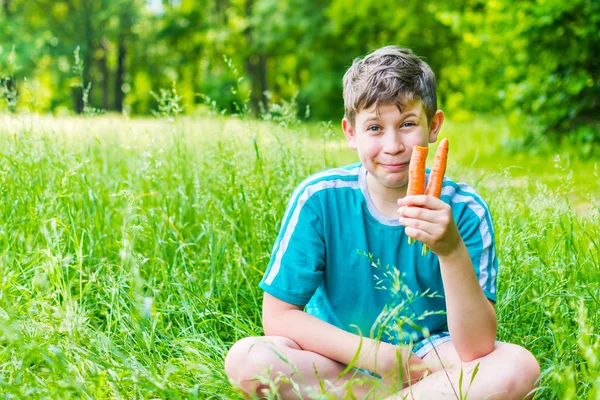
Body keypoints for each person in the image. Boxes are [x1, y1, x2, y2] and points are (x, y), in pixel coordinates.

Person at [224, 46, 540, 399]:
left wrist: (450, 251)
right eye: (374, 127)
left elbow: (475, 348)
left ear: (433, 126)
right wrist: (381, 357)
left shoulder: (465, 210)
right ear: (350, 132)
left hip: (431, 355)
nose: (392, 146)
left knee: (517, 366)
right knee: (247, 359)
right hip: (338, 352)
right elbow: (279, 317)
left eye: (407, 125)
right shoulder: (319, 198)